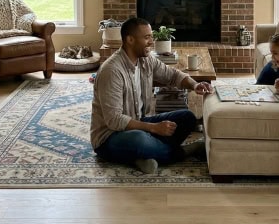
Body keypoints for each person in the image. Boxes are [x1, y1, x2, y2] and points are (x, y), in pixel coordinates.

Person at [91, 17, 213, 174]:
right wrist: (153, 128)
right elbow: (114, 120)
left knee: (187, 117)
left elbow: (173, 75)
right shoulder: (112, 71)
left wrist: (195, 85)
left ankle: (142, 156)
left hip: (139, 122)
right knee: (139, 140)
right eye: (147, 37)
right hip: (110, 136)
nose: (151, 42)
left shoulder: (146, 60)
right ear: (130, 40)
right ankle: (185, 151)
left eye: (151, 37)